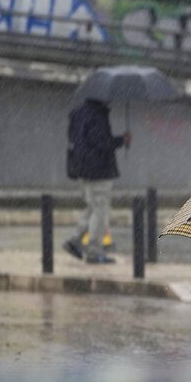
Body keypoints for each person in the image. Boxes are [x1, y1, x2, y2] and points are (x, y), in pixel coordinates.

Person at [64, 98, 130, 264]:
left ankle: (74, 241)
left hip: (81, 168)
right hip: (98, 170)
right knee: (101, 211)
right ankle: (93, 251)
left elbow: (74, 138)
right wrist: (121, 140)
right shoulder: (97, 114)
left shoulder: (78, 112)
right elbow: (100, 142)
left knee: (93, 208)